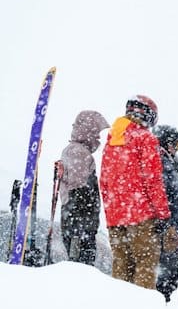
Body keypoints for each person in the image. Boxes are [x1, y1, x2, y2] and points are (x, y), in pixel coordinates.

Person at [100, 95, 171, 290]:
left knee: (121, 266)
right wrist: (163, 214)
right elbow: (153, 180)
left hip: (116, 216)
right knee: (145, 265)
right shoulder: (145, 138)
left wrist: (110, 215)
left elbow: (104, 182)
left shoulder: (112, 140)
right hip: (141, 215)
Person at [59, 110, 110, 265]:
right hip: (79, 224)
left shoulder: (77, 151)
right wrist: (84, 225)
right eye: (96, 132)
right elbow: (79, 190)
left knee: (80, 263)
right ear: (88, 131)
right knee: (81, 266)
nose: (98, 137)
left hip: (78, 222)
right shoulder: (79, 152)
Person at [153, 125, 178, 303]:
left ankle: (163, 301)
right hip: (166, 227)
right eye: (175, 145)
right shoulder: (162, 163)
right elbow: (169, 196)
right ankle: (160, 305)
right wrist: (168, 222)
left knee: (167, 275)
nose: (176, 149)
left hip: (169, 226)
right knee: (165, 275)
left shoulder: (166, 163)